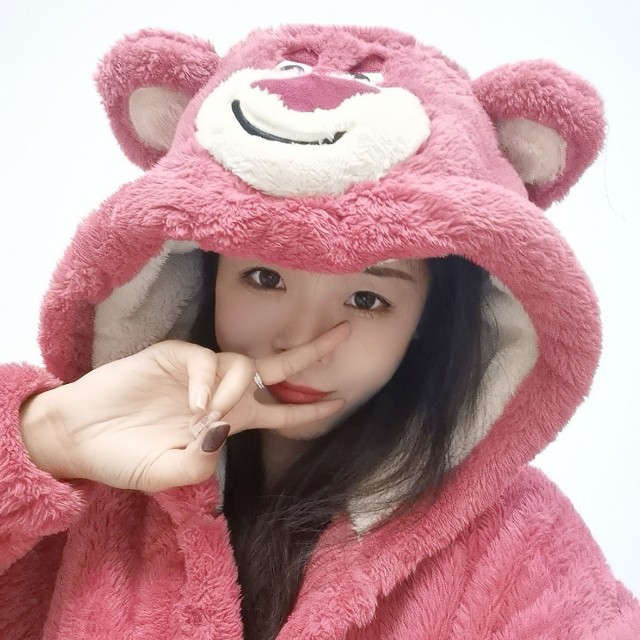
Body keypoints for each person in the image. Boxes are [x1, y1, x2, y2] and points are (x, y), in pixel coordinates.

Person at [1, 23, 638, 640]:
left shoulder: (520, 548)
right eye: (263, 278)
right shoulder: (87, 476)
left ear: (426, 319)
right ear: (201, 277)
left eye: (367, 298)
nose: (301, 342)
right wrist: (49, 435)